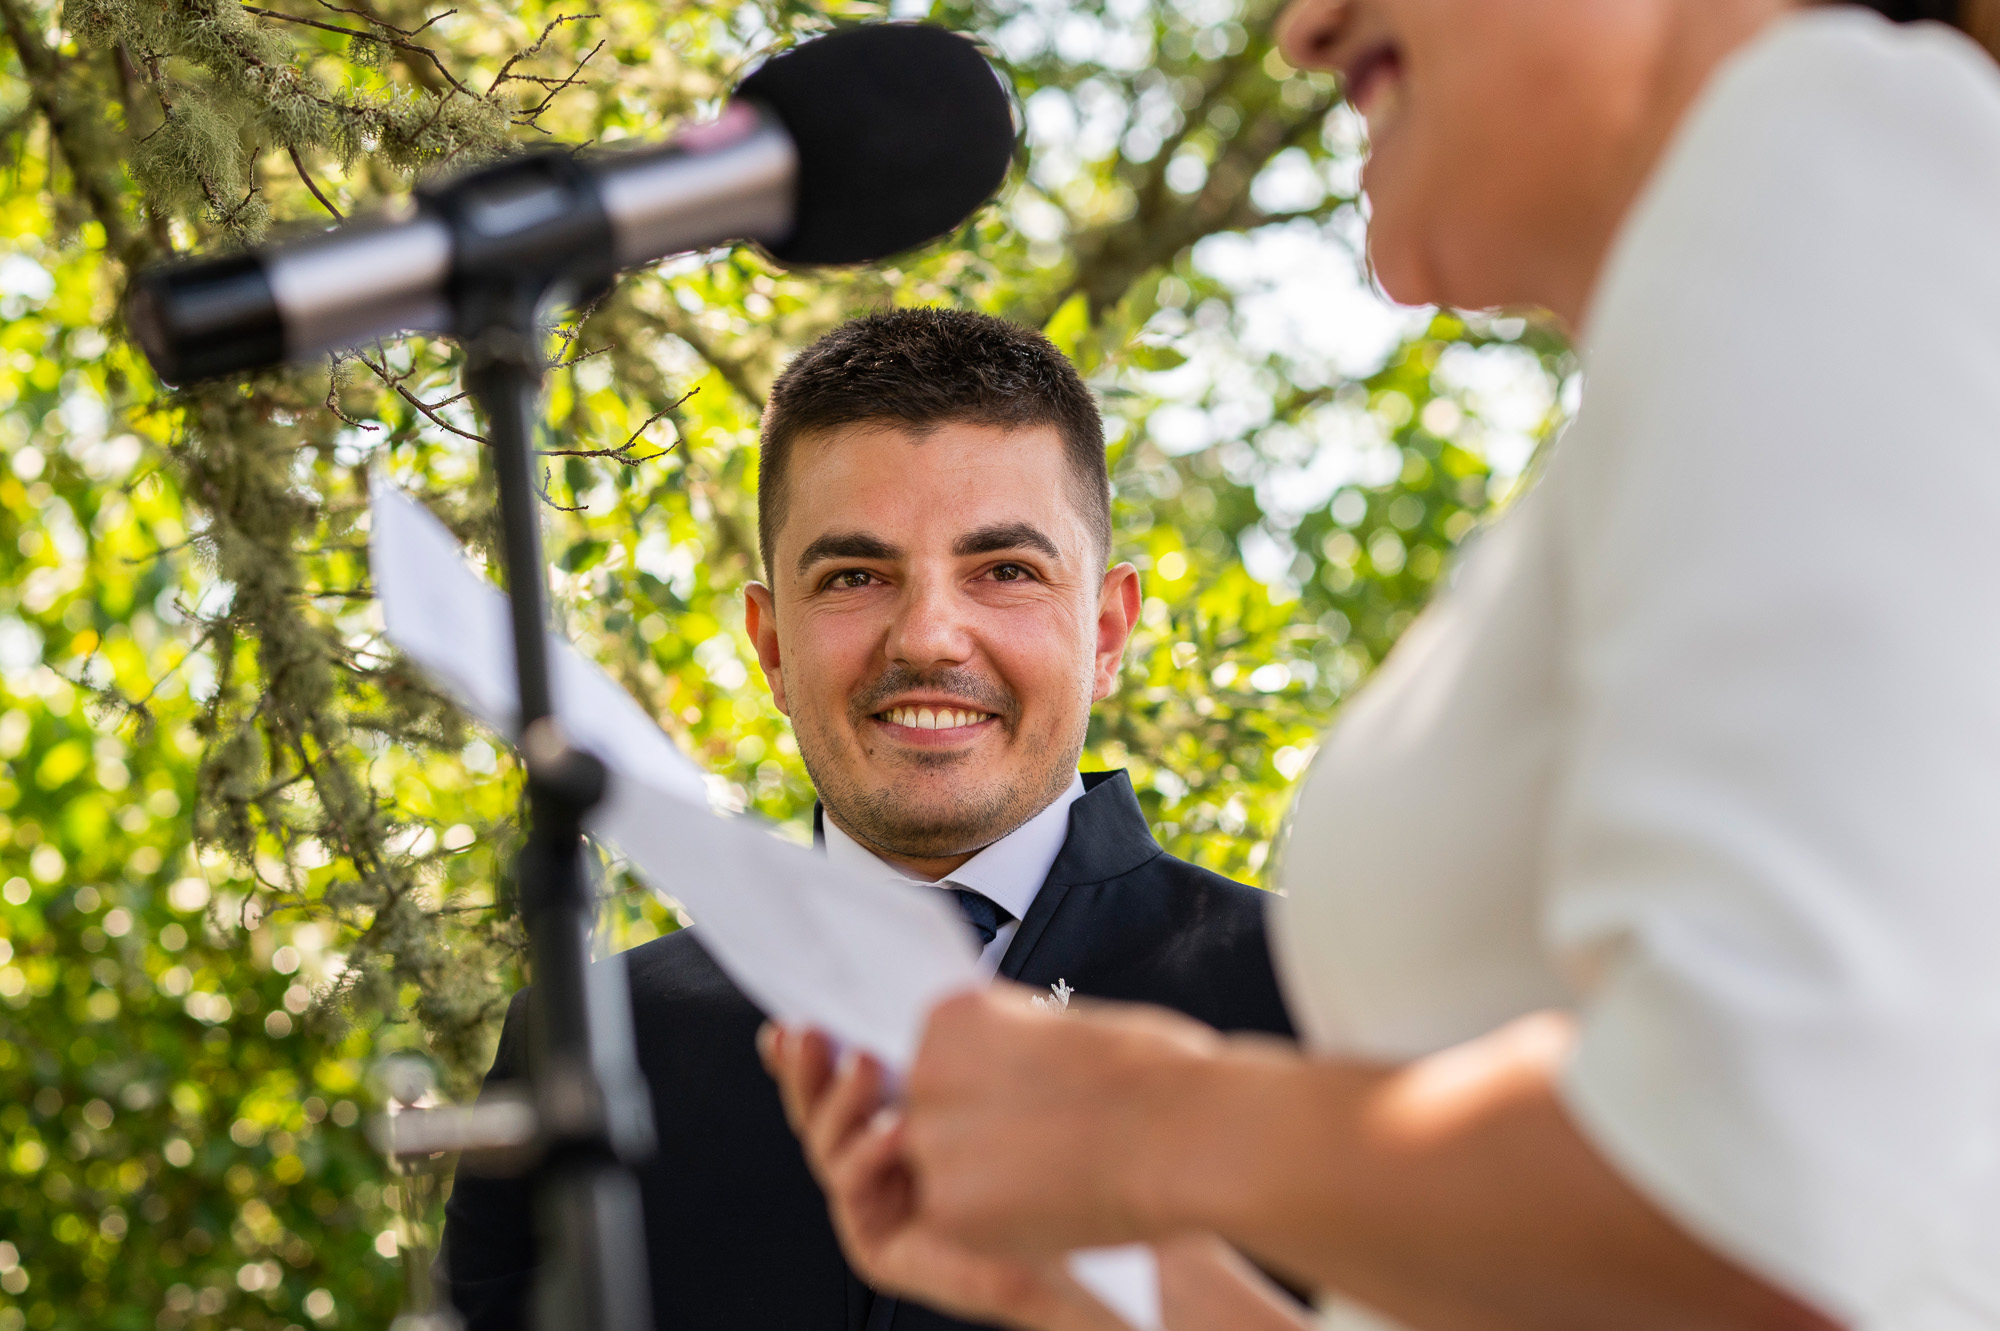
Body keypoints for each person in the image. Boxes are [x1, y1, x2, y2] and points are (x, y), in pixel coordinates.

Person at [768, 2, 2000, 1329]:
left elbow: (1775, 1198)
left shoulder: (1835, 163)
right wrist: (1148, 1300)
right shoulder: (1682, 375)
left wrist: (1147, 1120)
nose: (1304, 27)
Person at [439, 308, 1298, 1331]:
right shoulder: (589, 1038)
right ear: (770, 644)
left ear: (1107, 632)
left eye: (1005, 570)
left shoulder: (1308, 996)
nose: (928, 636)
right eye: (854, 576)